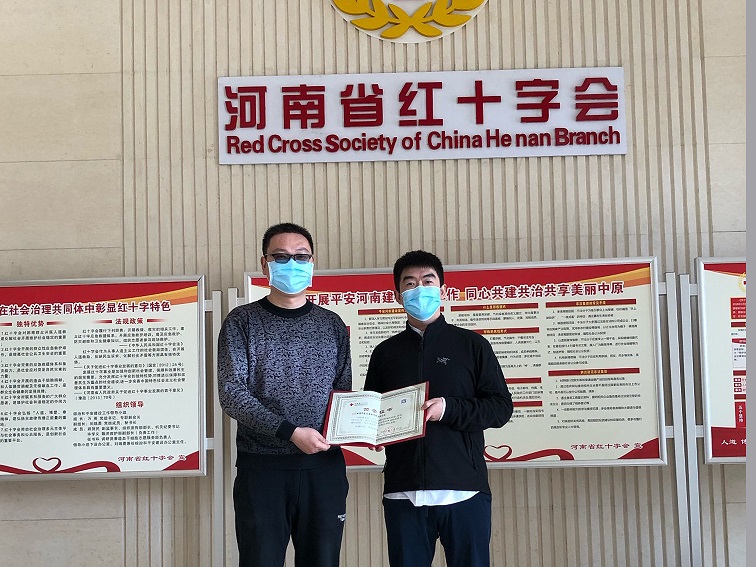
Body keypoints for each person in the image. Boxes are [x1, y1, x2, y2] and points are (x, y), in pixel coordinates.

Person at [364, 250, 513, 567]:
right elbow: (372, 410)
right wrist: (369, 431)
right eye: (410, 283)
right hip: (403, 492)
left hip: (464, 491)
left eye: (427, 281)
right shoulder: (385, 353)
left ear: (443, 290)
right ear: (397, 295)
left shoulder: (472, 345)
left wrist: (449, 408)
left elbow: (500, 408)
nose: (419, 289)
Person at [217, 222, 352, 567]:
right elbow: (232, 394)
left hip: (324, 469)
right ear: (265, 265)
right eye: (281, 257)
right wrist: (290, 432)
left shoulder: (332, 324)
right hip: (263, 469)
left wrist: (361, 429)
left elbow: (343, 393)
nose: (292, 264)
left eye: (300, 257)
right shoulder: (242, 321)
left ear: (312, 263)